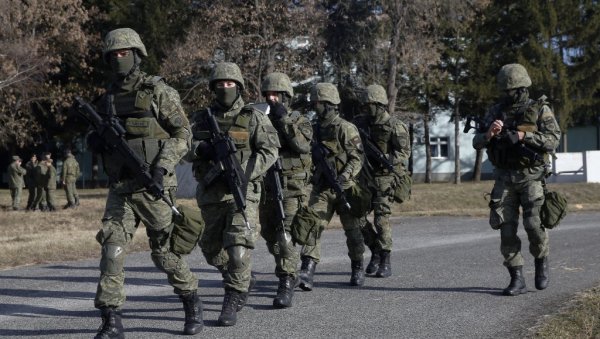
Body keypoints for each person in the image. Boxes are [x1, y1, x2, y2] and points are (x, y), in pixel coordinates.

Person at [88, 28, 201, 337]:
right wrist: (94, 140)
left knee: (164, 255)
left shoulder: (158, 92)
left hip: (154, 187)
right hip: (120, 189)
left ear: (137, 56)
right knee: (112, 249)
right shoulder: (106, 98)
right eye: (113, 56)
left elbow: (183, 135)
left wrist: (162, 168)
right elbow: (95, 136)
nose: (118, 59)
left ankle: (191, 299)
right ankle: (111, 320)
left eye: (124, 54)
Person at [187, 62, 279, 326]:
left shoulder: (254, 117)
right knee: (211, 249)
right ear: (213, 88)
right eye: (220, 84)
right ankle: (241, 277)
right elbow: (182, 147)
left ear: (238, 86)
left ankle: (233, 296)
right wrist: (200, 149)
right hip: (210, 194)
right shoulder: (200, 119)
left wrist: (247, 171)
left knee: (238, 248)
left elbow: (270, 150)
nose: (225, 88)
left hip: (244, 191)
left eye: (229, 84)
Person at [472, 63, 561, 296]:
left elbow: (553, 140)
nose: (508, 95)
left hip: (531, 177)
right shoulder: (495, 111)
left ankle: (541, 262)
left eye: (511, 90)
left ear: (522, 88)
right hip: (504, 179)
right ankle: (517, 277)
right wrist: (489, 133)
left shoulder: (540, 109)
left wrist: (524, 135)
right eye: (505, 90)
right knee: (506, 229)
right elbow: (476, 141)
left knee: (533, 225)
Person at [298, 82, 366, 289]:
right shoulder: (313, 129)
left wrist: (344, 177)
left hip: (345, 188)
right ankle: (307, 271)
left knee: (353, 231)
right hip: (322, 189)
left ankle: (357, 266)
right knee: (313, 226)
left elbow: (357, 157)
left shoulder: (345, 128)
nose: (314, 106)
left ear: (328, 104)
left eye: (317, 102)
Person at [258, 72, 313, 308]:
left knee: (285, 234)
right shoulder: (260, 119)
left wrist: (284, 121)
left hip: (292, 188)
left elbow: (301, 145)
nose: (272, 99)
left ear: (286, 97)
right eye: (268, 95)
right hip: (265, 187)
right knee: (270, 235)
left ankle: (287, 280)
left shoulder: (300, 120)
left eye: (276, 95)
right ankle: (287, 268)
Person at [356, 84, 411, 278]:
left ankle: (385, 260)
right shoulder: (360, 124)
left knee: (381, 220)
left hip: (385, 178)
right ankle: (375, 251)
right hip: (364, 177)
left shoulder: (395, 125)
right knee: (358, 218)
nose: (365, 108)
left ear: (379, 104)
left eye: (369, 104)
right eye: (364, 104)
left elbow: (404, 152)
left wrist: (386, 159)